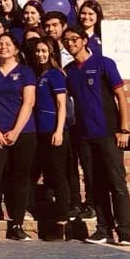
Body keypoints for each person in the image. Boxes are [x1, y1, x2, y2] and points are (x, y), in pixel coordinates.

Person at [61, 25, 130, 245]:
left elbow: (120, 96)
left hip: (108, 133)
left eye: (74, 39)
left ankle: (124, 231)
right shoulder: (70, 70)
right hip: (84, 136)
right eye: (66, 41)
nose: (70, 43)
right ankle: (103, 229)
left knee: (116, 183)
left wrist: (124, 128)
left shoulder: (104, 63)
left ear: (84, 40)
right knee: (94, 184)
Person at [0, 33, 37, 241]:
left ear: (16, 49)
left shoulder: (26, 72)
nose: (3, 47)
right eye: (0, 44)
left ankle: (17, 224)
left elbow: (28, 102)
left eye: (8, 44)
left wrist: (15, 131)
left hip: (23, 132)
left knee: (19, 179)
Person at [26, 36, 77, 225]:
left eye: (44, 51)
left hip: (53, 130)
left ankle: (63, 213)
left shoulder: (56, 74)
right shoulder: (40, 75)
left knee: (57, 173)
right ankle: (29, 208)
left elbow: (61, 104)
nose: (40, 55)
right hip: (40, 130)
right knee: (35, 171)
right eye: (38, 51)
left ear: (51, 53)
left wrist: (59, 131)